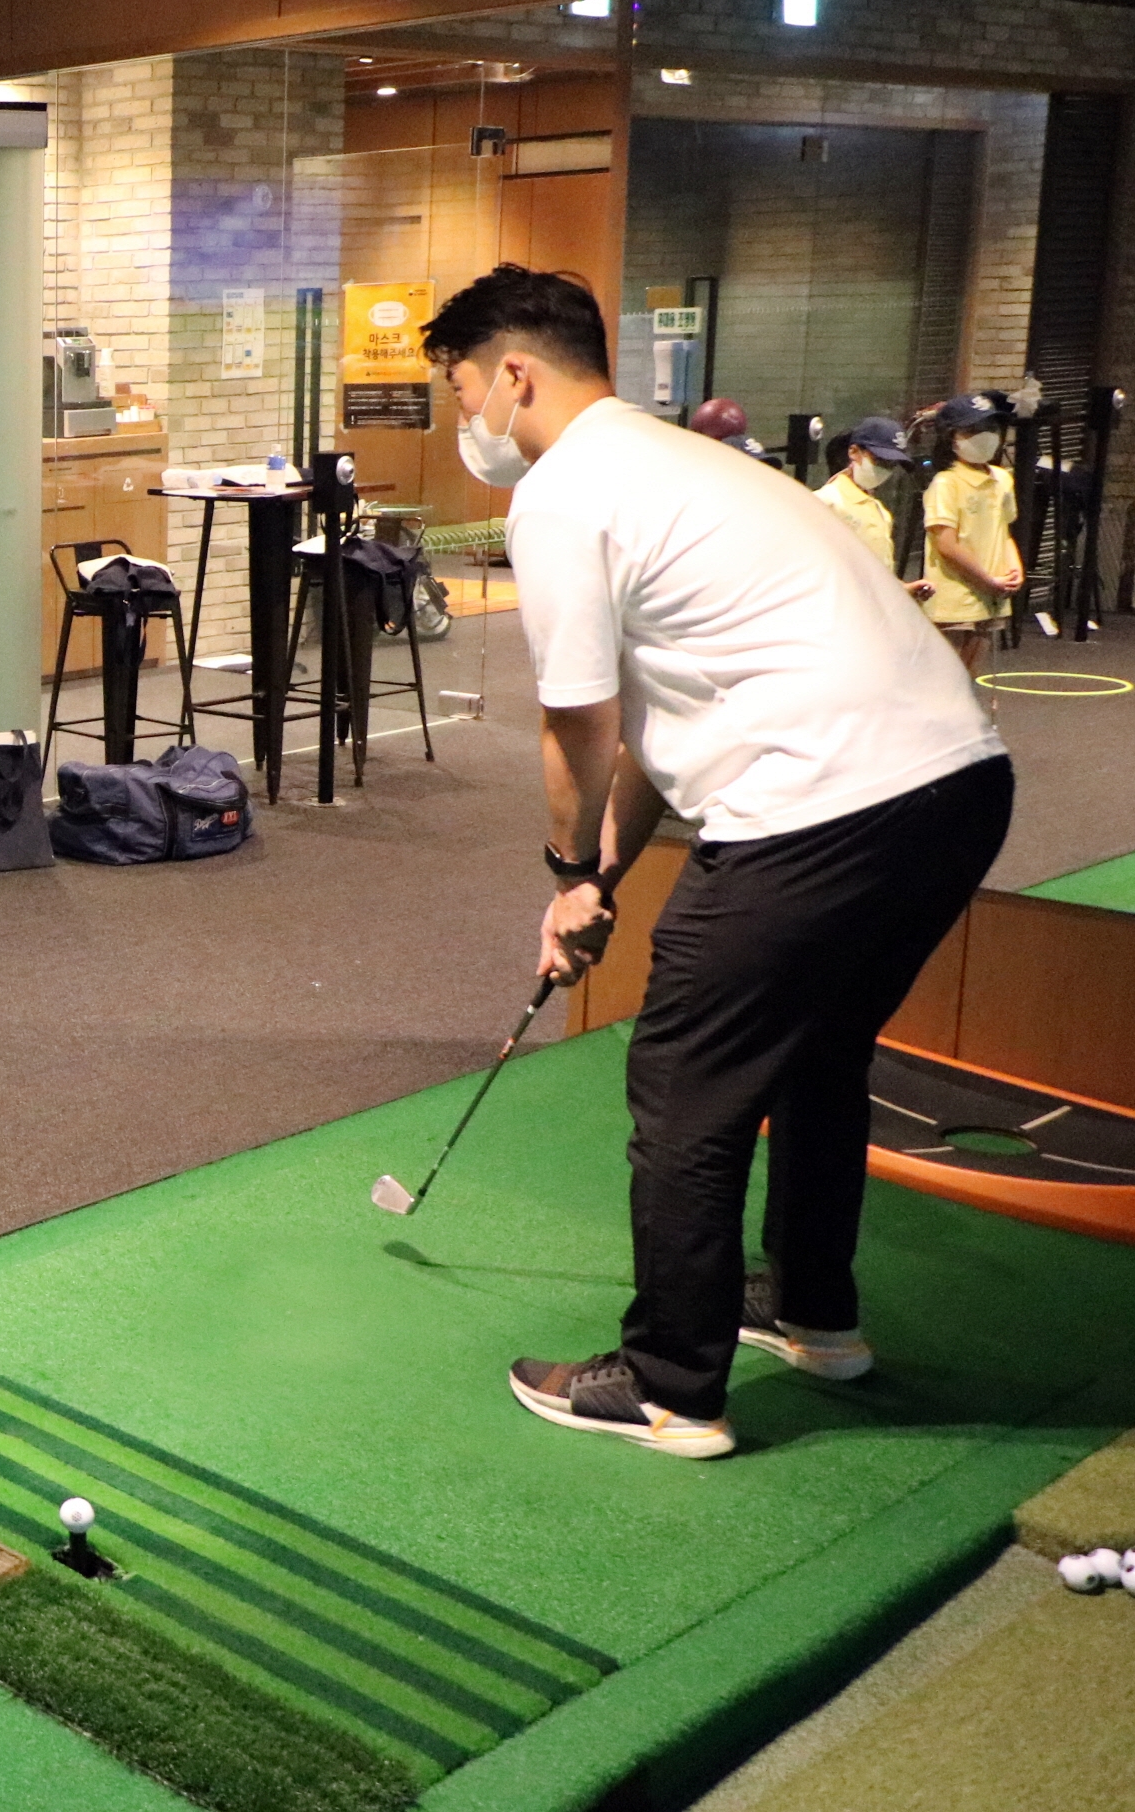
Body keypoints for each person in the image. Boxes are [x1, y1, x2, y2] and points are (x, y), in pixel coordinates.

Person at [419, 265, 1012, 1461]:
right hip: (957, 789)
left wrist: (563, 871)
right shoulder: (689, 464)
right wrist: (599, 875)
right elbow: (652, 727)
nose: (466, 417)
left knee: (687, 1082)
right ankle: (812, 1311)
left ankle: (668, 1384)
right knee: (818, 1050)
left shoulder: (563, 491)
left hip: (819, 807)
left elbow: (576, 723)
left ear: (514, 373)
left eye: (463, 388)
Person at [919, 392, 1023, 678]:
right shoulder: (946, 483)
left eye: (991, 427)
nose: (985, 435)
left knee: (968, 678)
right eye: (973, 430)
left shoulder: (1002, 479)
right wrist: (987, 580)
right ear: (952, 438)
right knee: (945, 680)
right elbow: (947, 545)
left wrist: (1014, 568)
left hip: (991, 598)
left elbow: (1003, 531)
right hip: (954, 601)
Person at [812, 418, 929, 599]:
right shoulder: (827, 501)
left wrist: (903, 589)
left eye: (891, 465)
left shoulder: (880, 512)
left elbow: (878, 571)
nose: (884, 469)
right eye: (879, 460)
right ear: (853, 452)